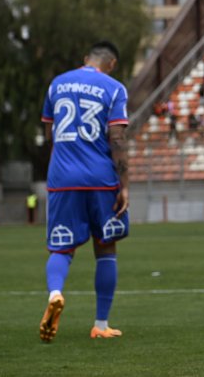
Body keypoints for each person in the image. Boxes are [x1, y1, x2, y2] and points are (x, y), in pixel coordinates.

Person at [39, 41, 131, 342]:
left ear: (85, 59)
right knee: (106, 248)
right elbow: (116, 138)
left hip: (63, 177)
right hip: (100, 179)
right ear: (112, 64)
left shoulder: (57, 84)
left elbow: (49, 134)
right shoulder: (114, 88)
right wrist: (125, 185)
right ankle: (101, 324)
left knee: (61, 248)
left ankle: (55, 294)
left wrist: (59, 167)